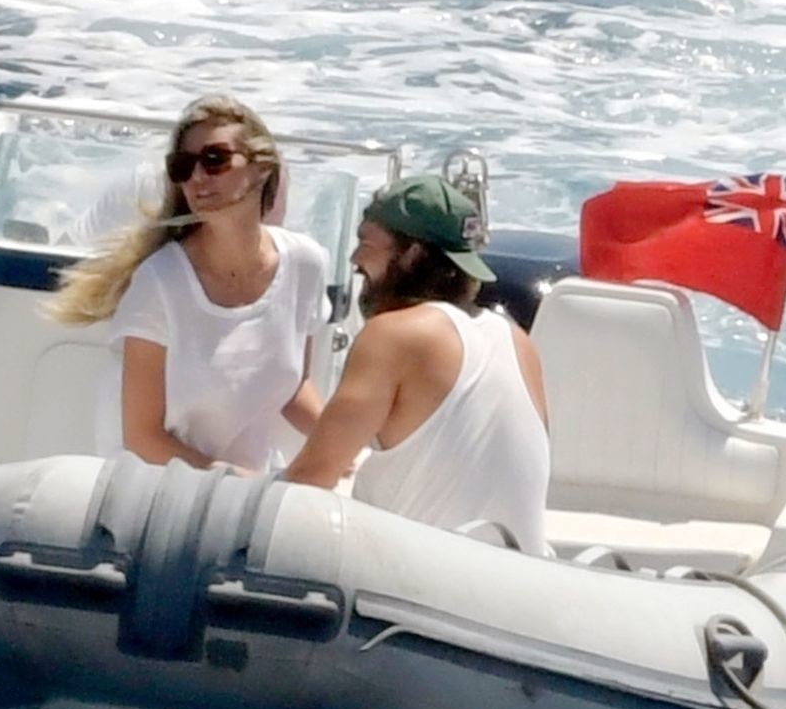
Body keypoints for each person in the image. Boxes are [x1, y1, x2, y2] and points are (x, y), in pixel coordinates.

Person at [49, 95, 328, 473]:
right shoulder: (159, 283)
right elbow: (143, 438)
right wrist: (236, 483)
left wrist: (344, 449)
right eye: (182, 166)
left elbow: (294, 389)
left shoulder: (306, 264)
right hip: (161, 489)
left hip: (250, 485)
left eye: (215, 159)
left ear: (262, 168)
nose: (197, 177)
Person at [285, 175, 551, 554]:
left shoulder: (394, 336)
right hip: (518, 575)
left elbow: (309, 481)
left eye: (366, 243)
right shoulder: (518, 340)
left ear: (411, 254)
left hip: (423, 580)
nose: (355, 259)